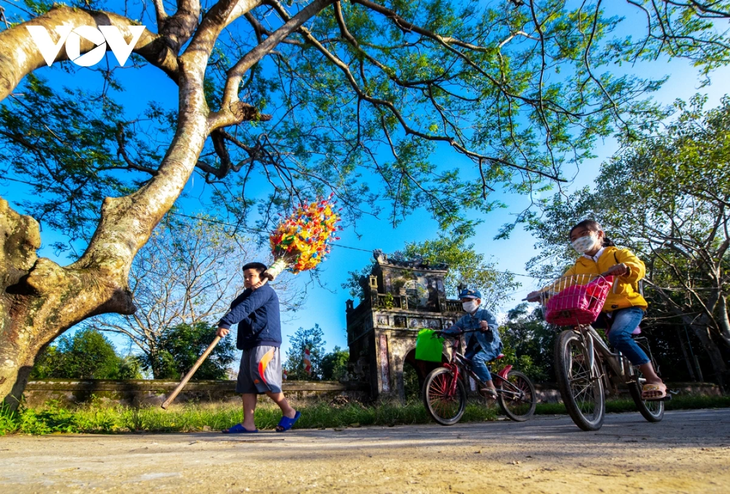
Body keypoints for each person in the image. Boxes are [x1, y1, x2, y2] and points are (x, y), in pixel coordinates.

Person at [527, 219, 667, 400]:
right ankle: (597, 353)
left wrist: (626, 269)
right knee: (575, 319)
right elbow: (561, 283)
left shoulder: (617, 253)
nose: (578, 240)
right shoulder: (579, 266)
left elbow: (638, 266)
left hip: (627, 306)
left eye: (583, 235)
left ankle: (653, 379)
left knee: (618, 336)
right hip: (597, 309)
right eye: (574, 238)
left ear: (600, 234)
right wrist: (541, 293)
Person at [216, 262, 300, 433]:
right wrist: (249, 289)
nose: (247, 279)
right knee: (246, 383)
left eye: (251, 276)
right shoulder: (252, 293)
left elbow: (245, 308)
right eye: (245, 277)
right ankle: (248, 424)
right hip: (250, 342)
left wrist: (226, 322)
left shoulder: (265, 292)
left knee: (264, 377)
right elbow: (236, 304)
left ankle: (289, 411)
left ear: (262, 276)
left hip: (265, 341)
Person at [443, 288, 503, 398]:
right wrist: (440, 332)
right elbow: (455, 328)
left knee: (477, 359)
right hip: (474, 349)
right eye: (464, 301)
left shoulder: (485, 313)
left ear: (478, 301)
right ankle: (481, 384)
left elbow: (494, 326)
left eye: (468, 300)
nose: (465, 303)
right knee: (464, 363)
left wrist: (487, 326)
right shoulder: (464, 319)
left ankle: (491, 387)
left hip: (490, 347)